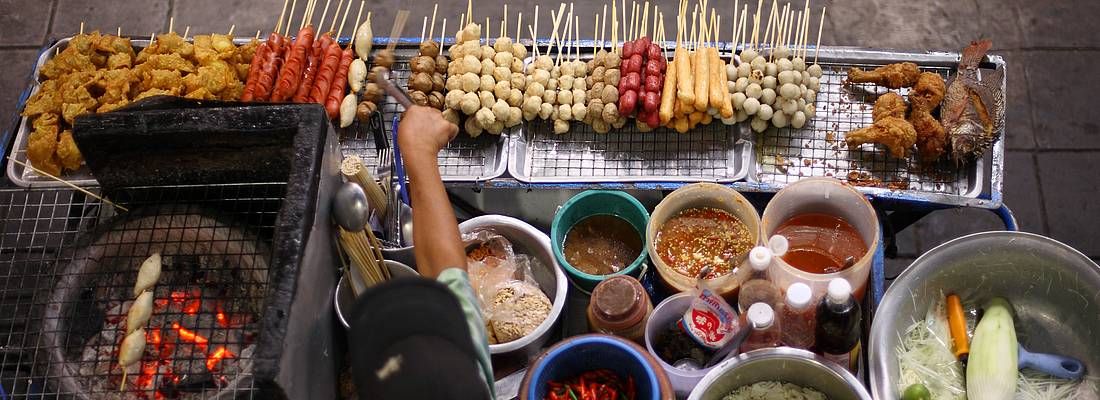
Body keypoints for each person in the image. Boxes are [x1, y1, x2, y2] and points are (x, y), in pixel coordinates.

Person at [347, 106, 494, 399]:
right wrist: (420, 150)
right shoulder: (466, 382)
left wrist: (420, 151)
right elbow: (449, 277)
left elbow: (448, 277)